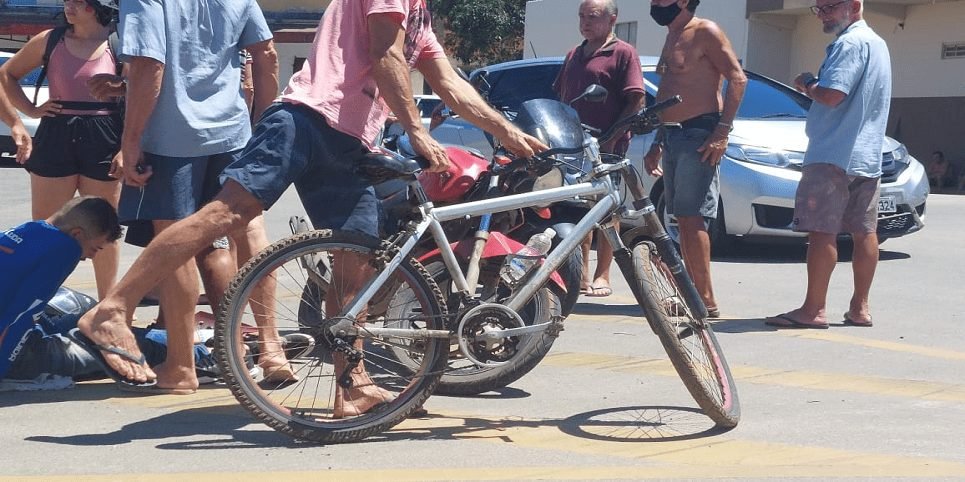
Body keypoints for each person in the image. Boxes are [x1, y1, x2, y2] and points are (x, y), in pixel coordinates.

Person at [77, 0, 547, 415]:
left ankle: (351, 386)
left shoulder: (421, 15)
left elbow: (447, 82)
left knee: (357, 260)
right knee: (226, 214)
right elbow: (385, 55)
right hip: (306, 119)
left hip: (350, 142)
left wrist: (506, 133)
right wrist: (417, 130)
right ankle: (112, 309)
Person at [81, 0, 287, 394]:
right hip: (229, 130)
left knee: (174, 241)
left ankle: (180, 367)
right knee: (215, 244)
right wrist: (260, 123)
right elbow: (267, 53)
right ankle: (236, 357)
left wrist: (131, 140)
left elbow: (149, 65)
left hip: (171, 137)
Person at [765, 0, 891, 329]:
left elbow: (833, 94)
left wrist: (808, 83)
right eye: (818, 8)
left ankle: (813, 309)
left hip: (833, 152)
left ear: (853, 5)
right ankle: (860, 307)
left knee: (822, 233)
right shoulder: (878, 44)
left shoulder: (849, 43)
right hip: (867, 154)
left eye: (828, 7)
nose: (821, 14)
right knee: (865, 232)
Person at [0, 0, 123, 301]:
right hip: (56, 130)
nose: (69, 6)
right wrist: (21, 118)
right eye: (67, 0)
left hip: (105, 132)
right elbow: (6, 75)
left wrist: (129, 146)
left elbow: (147, 87)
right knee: (47, 225)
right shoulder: (50, 39)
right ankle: (40, 300)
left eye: (78, 2)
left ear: (98, 6)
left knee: (105, 227)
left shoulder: (120, 41)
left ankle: (108, 307)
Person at [642, 0, 746, 317]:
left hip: (698, 134)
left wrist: (722, 132)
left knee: (692, 216)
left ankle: (704, 299)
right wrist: (658, 141)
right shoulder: (673, 33)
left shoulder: (706, 31)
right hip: (673, 135)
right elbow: (671, 91)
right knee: (681, 219)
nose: (655, 3)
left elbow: (738, 79)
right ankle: (693, 295)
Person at [553, 0, 645, 298]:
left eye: (592, 17)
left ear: (612, 19)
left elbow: (636, 100)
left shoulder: (623, 53)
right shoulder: (573, 54)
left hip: (608, 148)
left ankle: (603, 274)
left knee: (607, 211)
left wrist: (611, 137)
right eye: (581, 16)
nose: (585, 22)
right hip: (573, 148)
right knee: (578, 210)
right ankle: (579, 276)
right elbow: (560, 98)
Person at [0, 196, 122, 384]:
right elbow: (24, 312)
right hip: (10, 347)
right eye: (95, 248)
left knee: (83, 310)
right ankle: (170, 345)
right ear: (77, 234)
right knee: (115, 351)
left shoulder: (31, 229)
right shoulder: (65, 248)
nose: (92, 256)